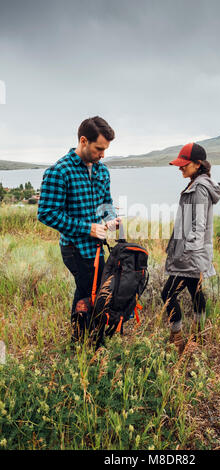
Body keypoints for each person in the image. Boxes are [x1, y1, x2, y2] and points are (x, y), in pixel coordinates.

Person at [38, 116, 121, 341]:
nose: (102, 155)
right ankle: (81, 342)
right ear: (83, 141)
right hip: (75, 248)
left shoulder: (103, 172)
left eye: (105, 150)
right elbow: (46, 214)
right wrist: (88, 228)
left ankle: (89, 338)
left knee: (97, 292)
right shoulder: (59, 172)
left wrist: (111, 219)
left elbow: (106, 203)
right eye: (99, 149)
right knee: (87, 291)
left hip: (97, 247)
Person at [161, 142, 220, 354]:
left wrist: (184, 253)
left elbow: (198, 225)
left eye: (184, 164)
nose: (180, 167)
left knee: (167, 294)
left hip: (190, 255)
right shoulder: (197, 184)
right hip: (192, 254)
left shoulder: (199, 188)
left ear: (197, 164)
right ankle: (198, 335)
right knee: (195, 293)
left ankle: (177, 338)